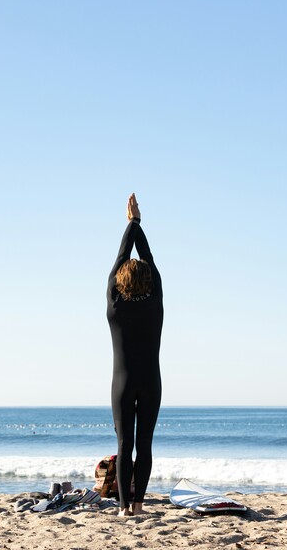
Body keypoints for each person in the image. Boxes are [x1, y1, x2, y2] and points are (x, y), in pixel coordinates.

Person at [107, 193, 164, 517]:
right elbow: (149, 258)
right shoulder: (155, 301)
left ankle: (124, 508)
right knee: (144, 445)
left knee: (124, 445)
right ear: (149, 281)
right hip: (151, 381)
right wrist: (137, 222)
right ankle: (139, 504)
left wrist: (131, 223)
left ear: (119, 281)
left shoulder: (114, 304)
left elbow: (120, 257)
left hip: (122, 383)